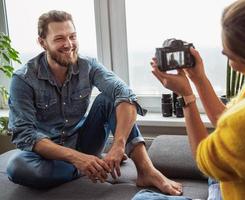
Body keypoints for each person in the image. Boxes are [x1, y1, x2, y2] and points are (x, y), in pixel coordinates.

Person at [6, 10, 182, 195]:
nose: (69, 44)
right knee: (17, 167)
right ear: (42, 42)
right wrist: (78, 159)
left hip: (84, 142)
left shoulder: (87, 65)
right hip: (47, 154)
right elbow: (25, 134)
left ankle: (147, 171)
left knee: (109, 99)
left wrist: (118, 145)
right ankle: (87, 167)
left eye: (72, 36)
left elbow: (125, 94)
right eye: (59, 39)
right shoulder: (24, 79)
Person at [151, 0, 245, 199]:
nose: (224, 52)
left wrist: (186, 96)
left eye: (229, 52)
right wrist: (199, 79)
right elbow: (227, 118)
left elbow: (205, 161)